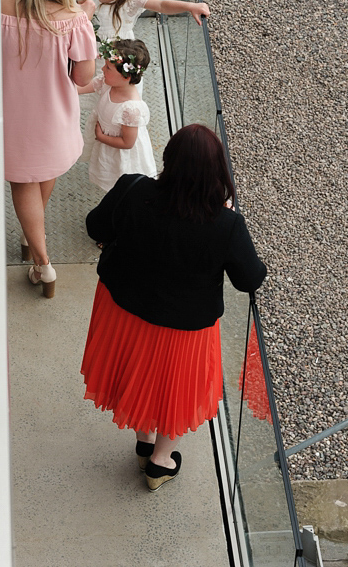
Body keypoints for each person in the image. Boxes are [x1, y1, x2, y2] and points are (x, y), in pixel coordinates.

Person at [80, 124, 266, 491]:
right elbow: (249, 278)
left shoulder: (132, 188)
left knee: (138, 375)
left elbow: (94, 226)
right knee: (176, 390)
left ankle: (144, 439)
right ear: (217, 171)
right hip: (185, 328)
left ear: (168, 160)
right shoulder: (225, 224)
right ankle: (159, 463)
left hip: (125, 311)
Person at [1, 0, 98, 298]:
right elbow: (83, 78)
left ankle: (41, 258)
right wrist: (84, 17)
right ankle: (37, 251)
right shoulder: (74, 20)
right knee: (44, 172)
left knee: (23, 181)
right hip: (53, 115)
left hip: (12, 117)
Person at [76, 38, 157, 191]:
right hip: (107, 144)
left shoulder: (131, 108)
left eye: (107, 68)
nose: (102, 70)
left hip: (121, 155)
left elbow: (128, 143)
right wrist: (71, 89)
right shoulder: (109, 83)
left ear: (126, 77)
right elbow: (92, 85)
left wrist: (101, 137)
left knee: (121, 186)